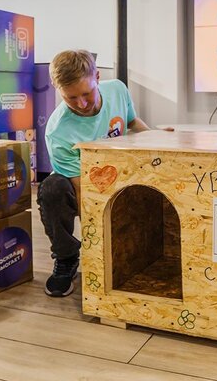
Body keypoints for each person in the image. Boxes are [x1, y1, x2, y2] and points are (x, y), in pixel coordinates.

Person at [37, 50, 150, 297]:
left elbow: (132, 122)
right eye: (71, 98)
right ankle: (66, 257)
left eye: (87, 93)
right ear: (57, 89)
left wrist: (159, 140)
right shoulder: (58, 131)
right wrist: (96, 243)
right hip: (82, 181)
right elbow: (81, 190)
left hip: (119, 171)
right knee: (52, 189)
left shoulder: (117, 90)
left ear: (97, 77)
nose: (81, 104)